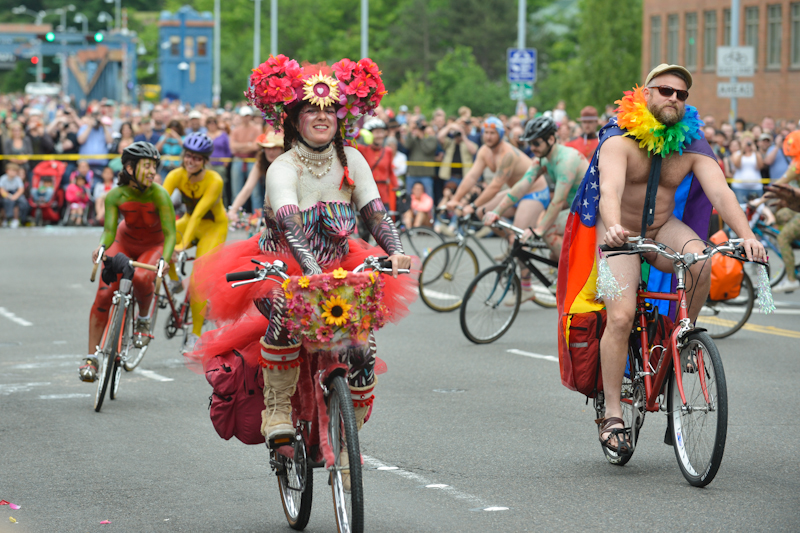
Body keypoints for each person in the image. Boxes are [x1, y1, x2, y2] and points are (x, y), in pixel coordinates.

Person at [189, 57, 414, 461]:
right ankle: (276, 410)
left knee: (363, 346)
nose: (322, 117)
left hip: (341, 266)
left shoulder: (353, 160)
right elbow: (291, 226)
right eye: (312, 109)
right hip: (281, 267)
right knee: (285, 309)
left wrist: (395, 250)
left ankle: (350, 427)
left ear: (341, 117)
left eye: (329, 109)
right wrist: (310, 274)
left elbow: (375, 213)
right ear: (294, 119)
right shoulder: (283, 167)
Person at [558, 64, 766, 453]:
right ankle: (614, 413)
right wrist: (616, 226)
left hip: (663, 228)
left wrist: (749, 237)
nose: (674, 98)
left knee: (703, 259)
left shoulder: (692, 145)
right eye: (666, 90)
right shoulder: (618, 139)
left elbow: (721, 194)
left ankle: (684, 339)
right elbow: (610, 190)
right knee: (620, 317)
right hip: (619, 234)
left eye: (681, 94)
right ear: (646, 93)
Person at [80, 142, 177, 382]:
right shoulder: (115, 195)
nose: (153, 172)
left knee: (143, 278)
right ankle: (91, 357)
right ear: (130, 168)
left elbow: (171, 233)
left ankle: (143, 319)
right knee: (104, 294)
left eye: (154, 166)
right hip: (124, 241)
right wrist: (102, 246)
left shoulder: (160, 194)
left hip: (153, 245)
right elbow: (110, 230)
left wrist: (165, 259)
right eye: (147, 166)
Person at [483, 116, 589, 261]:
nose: (532, 148)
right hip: (578, 208)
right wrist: (497, 212)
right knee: (554, 255)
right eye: (530, 143)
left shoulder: (566, 161)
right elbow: (522, 185)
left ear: (551, 139)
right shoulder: (543, 159)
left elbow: (558, 201)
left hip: (591, 210)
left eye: (536, 143)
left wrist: (539, 230)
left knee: (548, 231)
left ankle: (580, 271)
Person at [163, 132, 229, 351]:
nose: (191, 161)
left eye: (197, 158)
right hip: (189, 221)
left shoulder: (215, 180)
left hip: (213, 227)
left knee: (199, 280)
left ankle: (195, 335)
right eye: (188, 156)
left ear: (205, 162)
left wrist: (182, 245)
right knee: (163, 239)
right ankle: (174, 281)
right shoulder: (175, 175)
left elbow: (200, 213)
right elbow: (162, 207)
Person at [446, 117, 535, 219]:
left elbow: (495, 187)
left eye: (492, 133)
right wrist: (456, 199)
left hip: (532, 191)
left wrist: (473, 206)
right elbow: (472, 176)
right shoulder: (484, 151)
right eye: (486, 132)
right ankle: (509, 235)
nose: (488, 137)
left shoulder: (507, 154)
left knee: (523, 232)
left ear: (500, 135)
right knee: (482, 213)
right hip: (516, 191)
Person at [762, 131, 800, 293]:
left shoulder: (796, 164)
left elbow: (778, 185)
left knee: (782, 237)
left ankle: (791, 279)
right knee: (780, 215)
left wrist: (758, 201)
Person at [227, 131, 283, 220]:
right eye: (268, 148)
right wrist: (233, 210)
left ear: (281, 149)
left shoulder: (287, 163)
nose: (271, 152)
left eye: (275, 148)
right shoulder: (261, 162)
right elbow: (247, 188)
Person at [358, 119, 399, 213]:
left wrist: (397, 187)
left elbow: (390, 172)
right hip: (367, 195)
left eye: (381, 132)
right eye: (377, 132)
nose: (380, 135)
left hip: (383, 196)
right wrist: (359, 133)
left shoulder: (388, 151)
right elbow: (346, 143)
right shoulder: (363, 150)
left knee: (384, 225)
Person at [228, 106, 262, 211]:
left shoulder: (256, 129)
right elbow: (233, 147)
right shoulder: (236, 130)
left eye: (247, 116)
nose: (246, 118)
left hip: (252, 160)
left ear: (250, 117)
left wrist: (240, 146)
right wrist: (248, 145)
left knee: (255, 191)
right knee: (236, 190)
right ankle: (236, 214)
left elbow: (257, 146)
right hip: (238, 160)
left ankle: (257, 216)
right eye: (244, 116)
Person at [403, 118, 439, 200]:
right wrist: (410, 130)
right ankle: (409, 212)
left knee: (428, 197)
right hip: (412, 173)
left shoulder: (432, 139)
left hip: (426, 174)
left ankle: (429, 213)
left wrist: (422, 137)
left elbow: (428, 150)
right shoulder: (414, 139)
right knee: (410, 197)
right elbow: (407, 146)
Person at [730, 131, 764, 204]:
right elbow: (737, 165)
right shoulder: (737, 153)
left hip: (756, 187)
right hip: (739, 187)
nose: (747, 144)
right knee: (741, 208)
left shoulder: (756, 154)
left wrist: (755, 151)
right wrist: (742, 150)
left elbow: (760, 166)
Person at [0, 162, 29, 228]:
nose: (13, 173)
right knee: (6, 202)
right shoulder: (3, 179)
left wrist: (15, 196)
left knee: (23, 202)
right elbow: (2, 190)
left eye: (15, 171)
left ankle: (18, 219)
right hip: (7, 194)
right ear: (7, 171)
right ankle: (6, 219)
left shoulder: (17, 179)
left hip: (16, 194)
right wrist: (9, 196)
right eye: (12, 171)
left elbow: (21, 189)